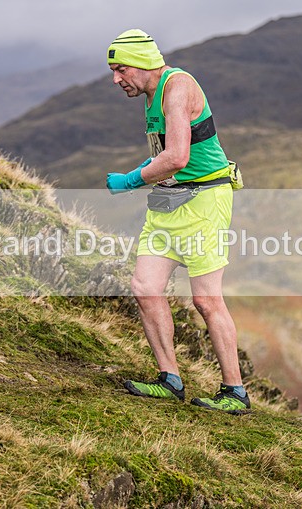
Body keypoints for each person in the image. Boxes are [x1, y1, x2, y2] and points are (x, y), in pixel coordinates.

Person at [105, 29, 250, 414]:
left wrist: (130, 180)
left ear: (144, 62)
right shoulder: (152, 95)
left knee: (205, 299)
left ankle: (234, 392)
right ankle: (170, 380)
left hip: (205, 201)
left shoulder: (177, 87)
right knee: (145, 287)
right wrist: (142, 171)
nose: (116, 79)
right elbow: (164, 154)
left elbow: (178, 157)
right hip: (168, 203)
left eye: (120, 69)